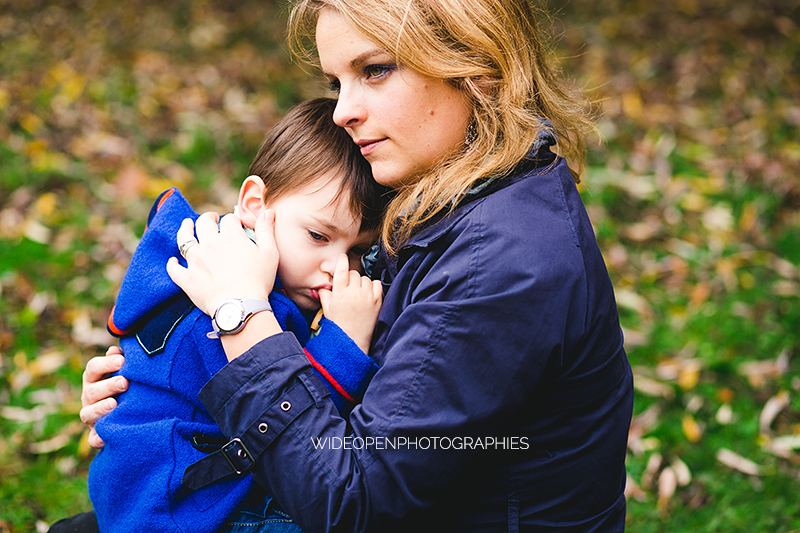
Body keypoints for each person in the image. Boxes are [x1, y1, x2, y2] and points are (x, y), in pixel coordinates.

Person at [80, 0, 634, 531]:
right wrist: (155, 410)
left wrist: (240, 318)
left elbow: (348, 502)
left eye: (375, 70)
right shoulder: (440, 193)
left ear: (477, 68)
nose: (344, 111)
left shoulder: (499, 265)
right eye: (336, 82)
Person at [72, 98, 389, 533]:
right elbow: (292, 419)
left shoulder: (225, 270)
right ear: (255, 204)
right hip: (178, 511)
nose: (337, 269)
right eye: (318, 236)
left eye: (356, 251)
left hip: (169, 490)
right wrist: (346, 342)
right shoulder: (219, 300)